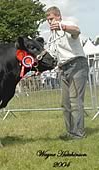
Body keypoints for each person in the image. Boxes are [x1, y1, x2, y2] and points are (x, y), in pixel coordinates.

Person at [46, 6, 89, 140]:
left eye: (52, 18)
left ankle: (78, 134)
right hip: (63, 68)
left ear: (58, 16)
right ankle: (70, 131)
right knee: (65, 103)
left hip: (77, 64)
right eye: (48, 20)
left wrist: (62, 26)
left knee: (75, 101)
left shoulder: (68, 24)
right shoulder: (52, 36)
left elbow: (76, 31)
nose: (50, 22)